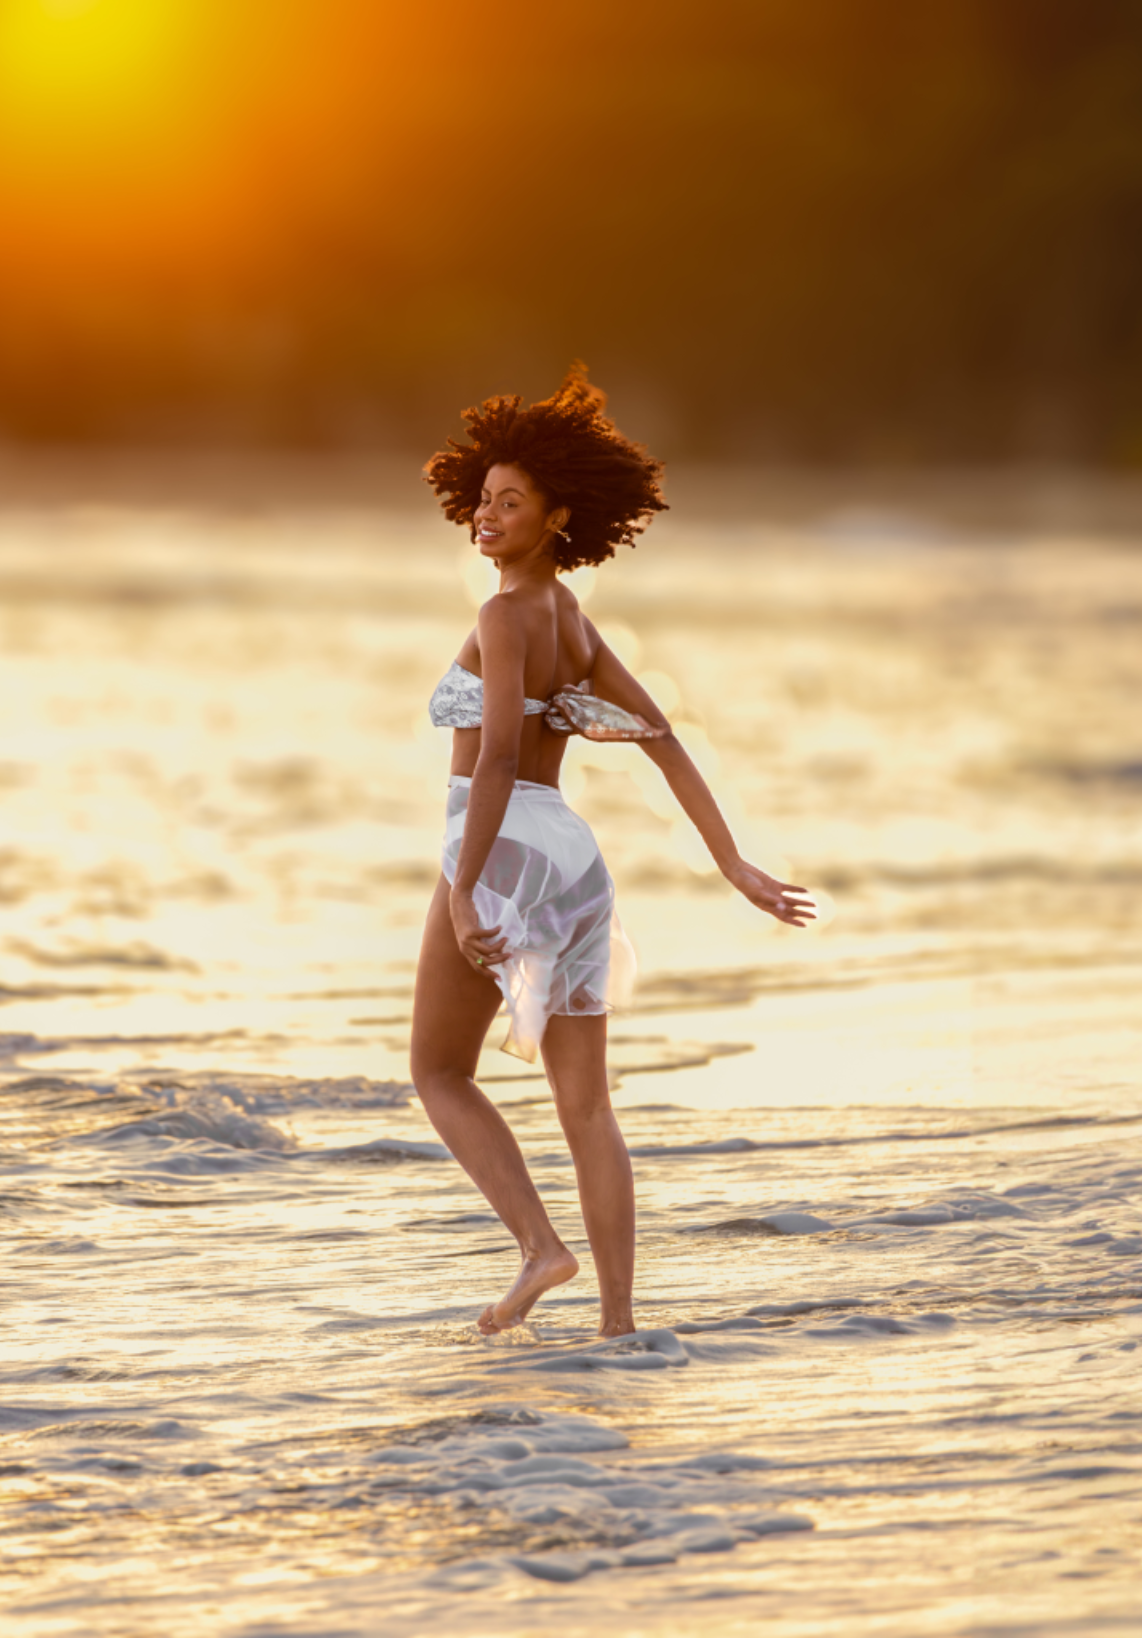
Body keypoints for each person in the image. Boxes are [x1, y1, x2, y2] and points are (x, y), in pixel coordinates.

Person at [412, 367, 814, 1339]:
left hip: (498, 840)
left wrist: (464, 891)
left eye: (511, 502)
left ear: (556, 519)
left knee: (438, 1072)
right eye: (482, 498)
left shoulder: (503, 617)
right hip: (572, 859)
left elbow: (500, 754)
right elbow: (662, 735)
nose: (486, 514)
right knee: (586, 1105)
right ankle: (618, 1323)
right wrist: (732, 865)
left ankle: (538, 1249)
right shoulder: (571, 623)